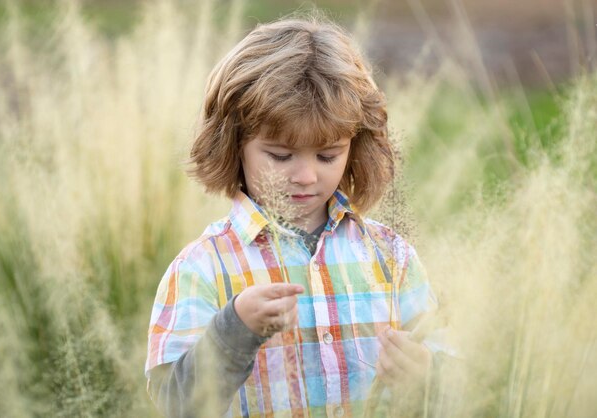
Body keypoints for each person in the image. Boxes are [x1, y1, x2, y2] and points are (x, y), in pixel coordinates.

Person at [145, 16, 444, 418]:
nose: (305, 176)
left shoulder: (392, 257)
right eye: (280, 155)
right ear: (234, 145)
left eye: (328, 155)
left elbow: (454, 381)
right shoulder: (202, 269)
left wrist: (428, 376)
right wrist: (235, 329)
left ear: (355, 147)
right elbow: (173, 405)